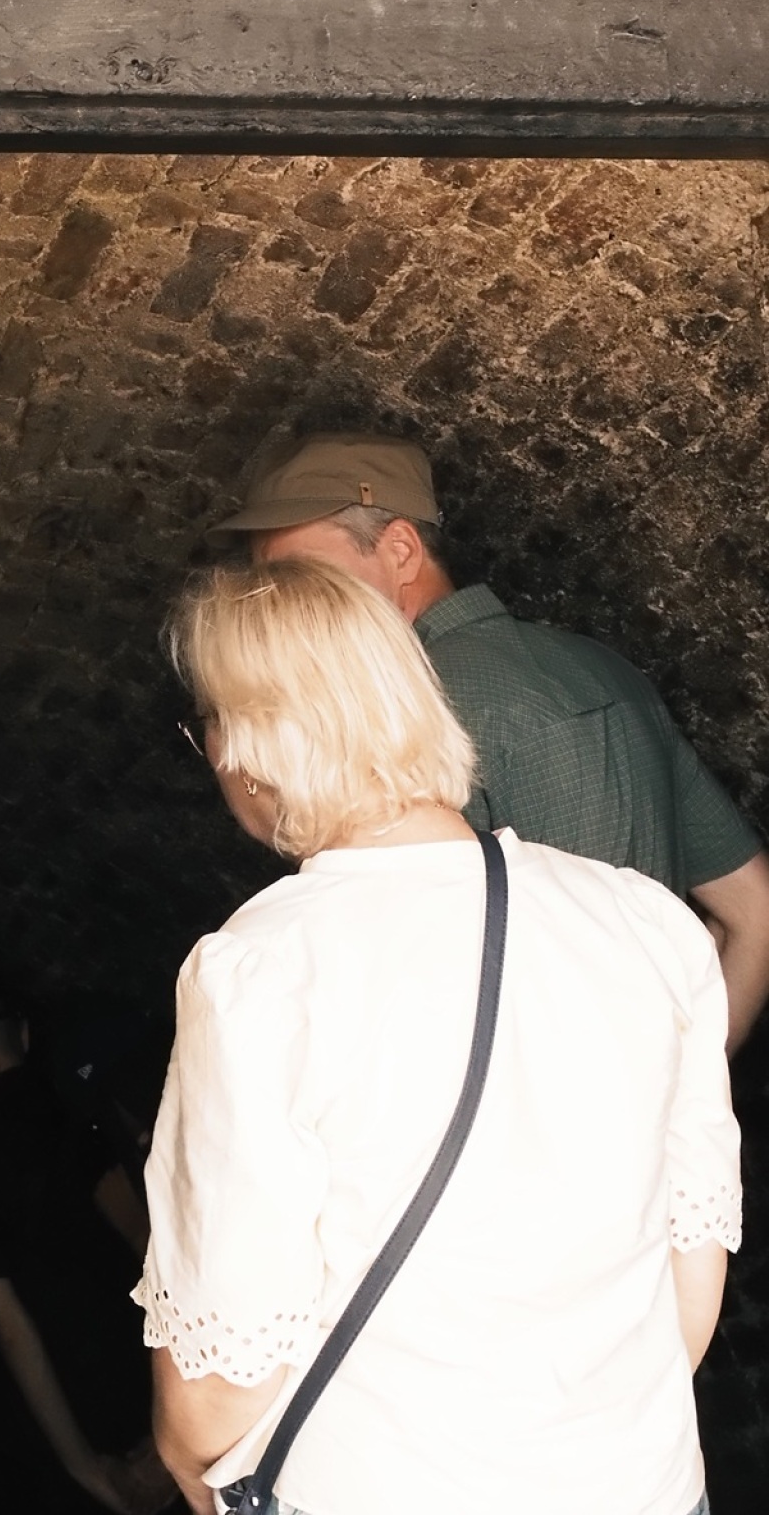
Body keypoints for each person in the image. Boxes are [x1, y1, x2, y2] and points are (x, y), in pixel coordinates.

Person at [144, 558, 739, 1515]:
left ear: (246, 743)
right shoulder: (643, 921)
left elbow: (226, 1365)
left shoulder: (260, 972)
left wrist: (182, 1464)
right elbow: (691, 1265)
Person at [209, 431, 769, 1048]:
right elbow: (757, 913)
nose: (280, 604)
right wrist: (685, 1087)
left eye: (299, 574)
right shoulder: (601, 666)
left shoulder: (397, 712)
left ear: (401, 550)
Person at [0, 985, 156, 1515]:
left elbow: (11, 1330)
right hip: (147, 1375)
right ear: (25, 1037)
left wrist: (82, 1467)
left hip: (70, 1407)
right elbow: (149, 1247)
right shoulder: (84, 1112)